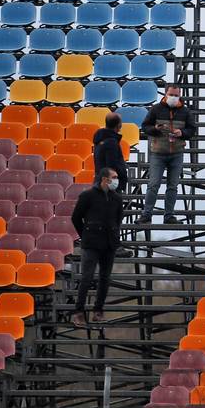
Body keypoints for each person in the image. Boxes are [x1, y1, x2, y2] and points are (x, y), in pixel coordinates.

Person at [71, 168, 125, 327]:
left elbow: (118, 220)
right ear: (104, 179)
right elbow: (76, 218)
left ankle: (98, 311)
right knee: (87, 278)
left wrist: (114, 237)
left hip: (109, 244)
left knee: (105, 279)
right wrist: (86, 235)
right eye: (114, 177)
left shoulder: (117, 198)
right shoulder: (87, 195)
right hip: (91, 243)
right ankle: (78, 312)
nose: (117, 180)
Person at [139, 85, 197, 225]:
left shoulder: (185, 111)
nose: (174, 97)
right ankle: (146, 215)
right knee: (153, 185)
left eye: (176, 95)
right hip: (158, 152)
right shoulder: (156, 109)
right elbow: (145, 127)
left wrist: (182, 133)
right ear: (166, 94)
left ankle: (169, 216)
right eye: (171, 94)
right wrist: (155, 129)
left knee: (173, 186)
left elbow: (192, 129)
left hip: (176, 153)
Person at [92, 113, 133, 258]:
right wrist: (121, 175)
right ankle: (114, 247)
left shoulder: (100, 141)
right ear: (118, 126)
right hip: (109, 185)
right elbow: (112, 166)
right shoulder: (110, 142)